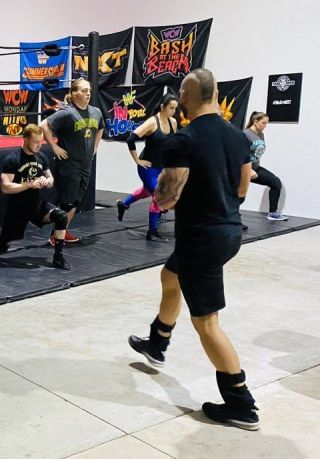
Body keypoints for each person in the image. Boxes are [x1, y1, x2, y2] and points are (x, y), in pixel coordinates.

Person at [127, 68, 259, 430]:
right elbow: (244, 187)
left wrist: (159, 192)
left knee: (207, 323)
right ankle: (158, 343)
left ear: (185, 99)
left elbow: (166, 199)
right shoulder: (237, 137)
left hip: (202, 238)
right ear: (215, 94)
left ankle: (240, 403)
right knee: (170, 276)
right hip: (228, 230)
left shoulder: (183, 140)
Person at [0, 124, 70, 269]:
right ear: (25, 139)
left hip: (35, 204)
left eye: (41, 142)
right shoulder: (13, 159)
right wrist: (29, 185)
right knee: (2, 247)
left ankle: (58, 257)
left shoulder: (41, 157)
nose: (39, 145)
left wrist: (46, 181)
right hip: (17, 208)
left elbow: (51, 180)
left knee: (61, 216)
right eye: (35, 142)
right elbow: (5, 187)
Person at [40, 78, 104, 244]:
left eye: (89, 90)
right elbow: (43, 125)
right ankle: (55, 234)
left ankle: (61, 231)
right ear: (74, 94)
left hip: (85, 164)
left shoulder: (96, 112)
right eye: (83, 90)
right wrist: (54, 147)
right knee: (68, 202)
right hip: (69, 164)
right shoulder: (68, 113)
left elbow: (101, 128)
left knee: (76, 201)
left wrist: (95, 148)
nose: (88, 93)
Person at [116, 95, 179, 242]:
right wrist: (137, 160)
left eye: (175, 108)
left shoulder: (173, 122)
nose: (173, 111)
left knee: (146, 191)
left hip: (162, 168)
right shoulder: (152, 122)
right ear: (163, 107)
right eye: (171, 108)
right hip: (148, 168)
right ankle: (152, 232)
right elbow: (131, 138)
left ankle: (123, 203)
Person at [244, 111, 288, 221]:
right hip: (243, 169)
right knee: (236, 193)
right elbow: (240, 154)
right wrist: (248, 170)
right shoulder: (245, 134)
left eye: (266, 123)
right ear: (255, 121)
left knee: (275, 182)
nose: (265, 126)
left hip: (255, 168)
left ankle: (273, 213)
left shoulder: (260, 134)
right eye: (263, 123)